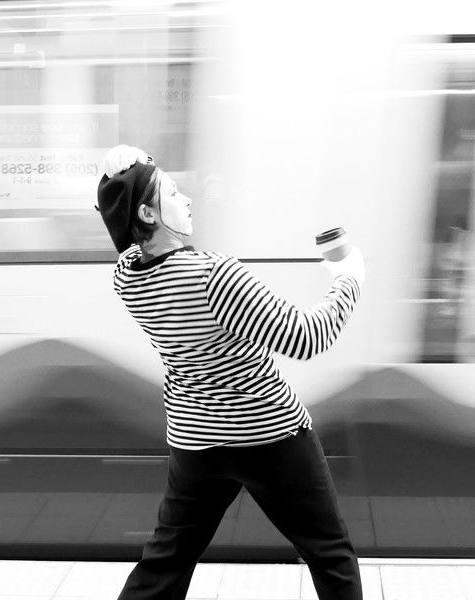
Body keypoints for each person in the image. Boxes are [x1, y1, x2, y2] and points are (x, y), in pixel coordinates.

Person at [96, 145, 365, 600]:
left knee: (166, 562)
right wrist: (349, 278)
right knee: (330, 554)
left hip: (195, 443)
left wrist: (118, 176)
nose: (187, 199)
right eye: (172, 192)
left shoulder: (128, 278)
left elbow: (130, 246)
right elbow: (307, 338)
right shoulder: (215, 276)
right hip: (269, 437)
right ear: (147, 212)